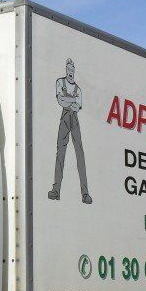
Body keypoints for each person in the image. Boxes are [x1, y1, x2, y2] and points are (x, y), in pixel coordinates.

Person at [48, 58, 92, 204]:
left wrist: (69, 101)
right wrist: (71, 101)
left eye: (72, 70)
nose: (70, 72)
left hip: (74, 119)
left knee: (80, 154)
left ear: (74, 71)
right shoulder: (60, 82)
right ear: (66, 70)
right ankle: (56, 190)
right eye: (68, 69)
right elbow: (60, 101)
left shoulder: (78, 89)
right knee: (60, 153)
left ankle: (85, 193)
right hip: (65, 118)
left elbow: (77, 106)